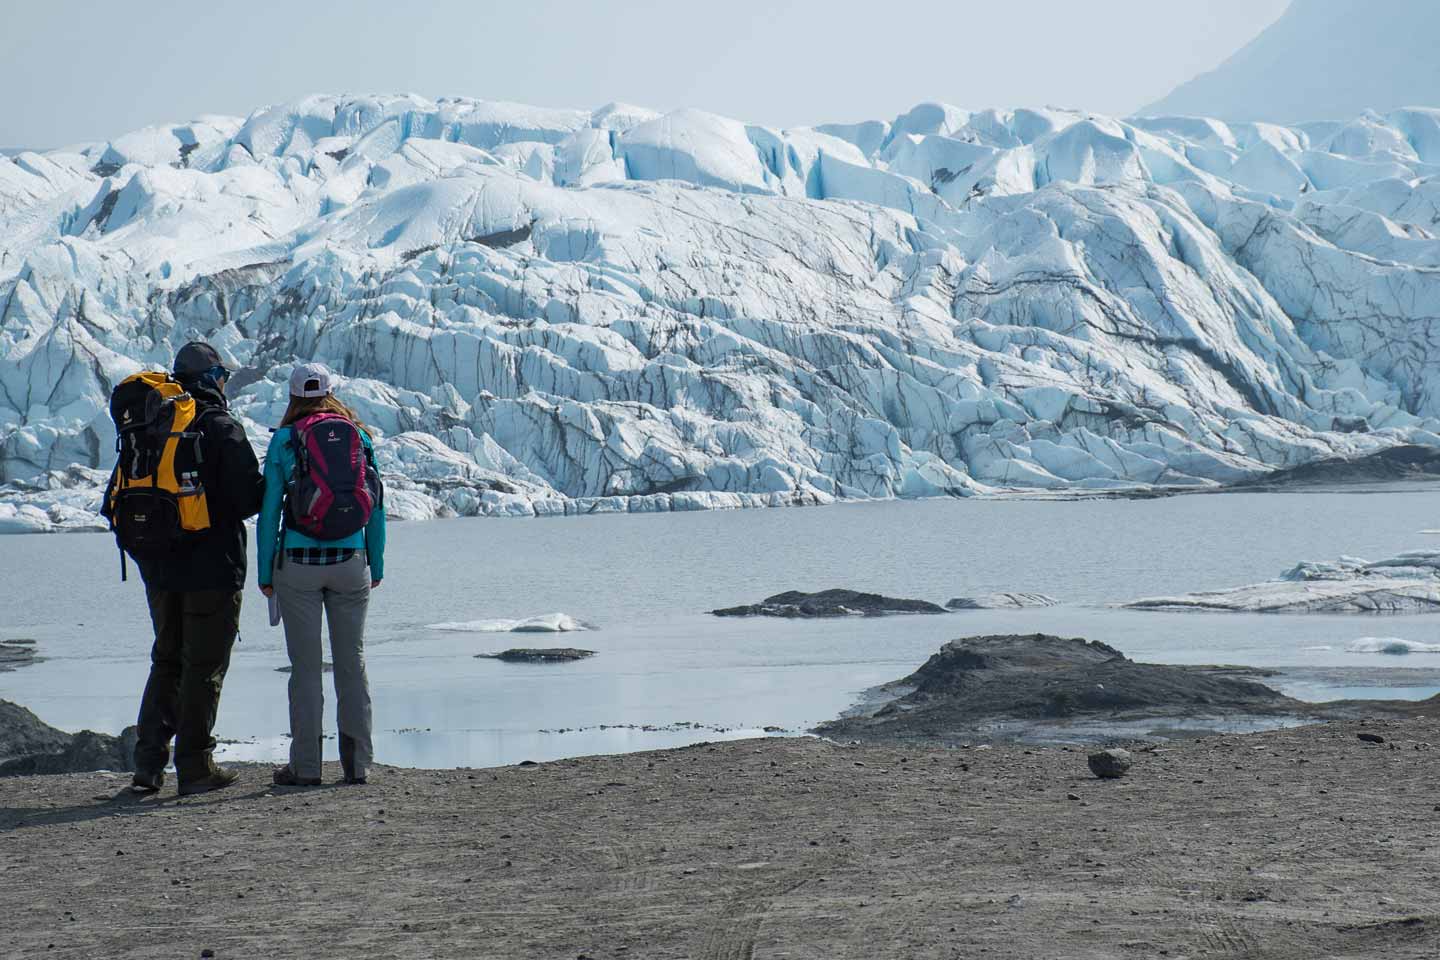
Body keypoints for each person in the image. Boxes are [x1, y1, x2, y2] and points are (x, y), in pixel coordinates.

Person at [124, 341, 264, 796]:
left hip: (159, 566)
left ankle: (147, 765)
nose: (225, 382)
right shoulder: (220, 426)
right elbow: (247, 499)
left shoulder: (149, 424)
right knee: (203, 666)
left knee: (165, 659)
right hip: (213, 567)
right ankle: (196, 767)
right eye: (222, 374)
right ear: (211, 378)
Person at [257, 362, 385, 787]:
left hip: (298, 566)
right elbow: (377, 507)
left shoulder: (283, 442)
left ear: (294, 396)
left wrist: (265, 573)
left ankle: (307, 767)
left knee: (306, 669)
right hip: (351, 564)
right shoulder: (360, 437)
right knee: (353, 664)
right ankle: (358, 766)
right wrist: (376, 563)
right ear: (332, 393)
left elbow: (269, 512)